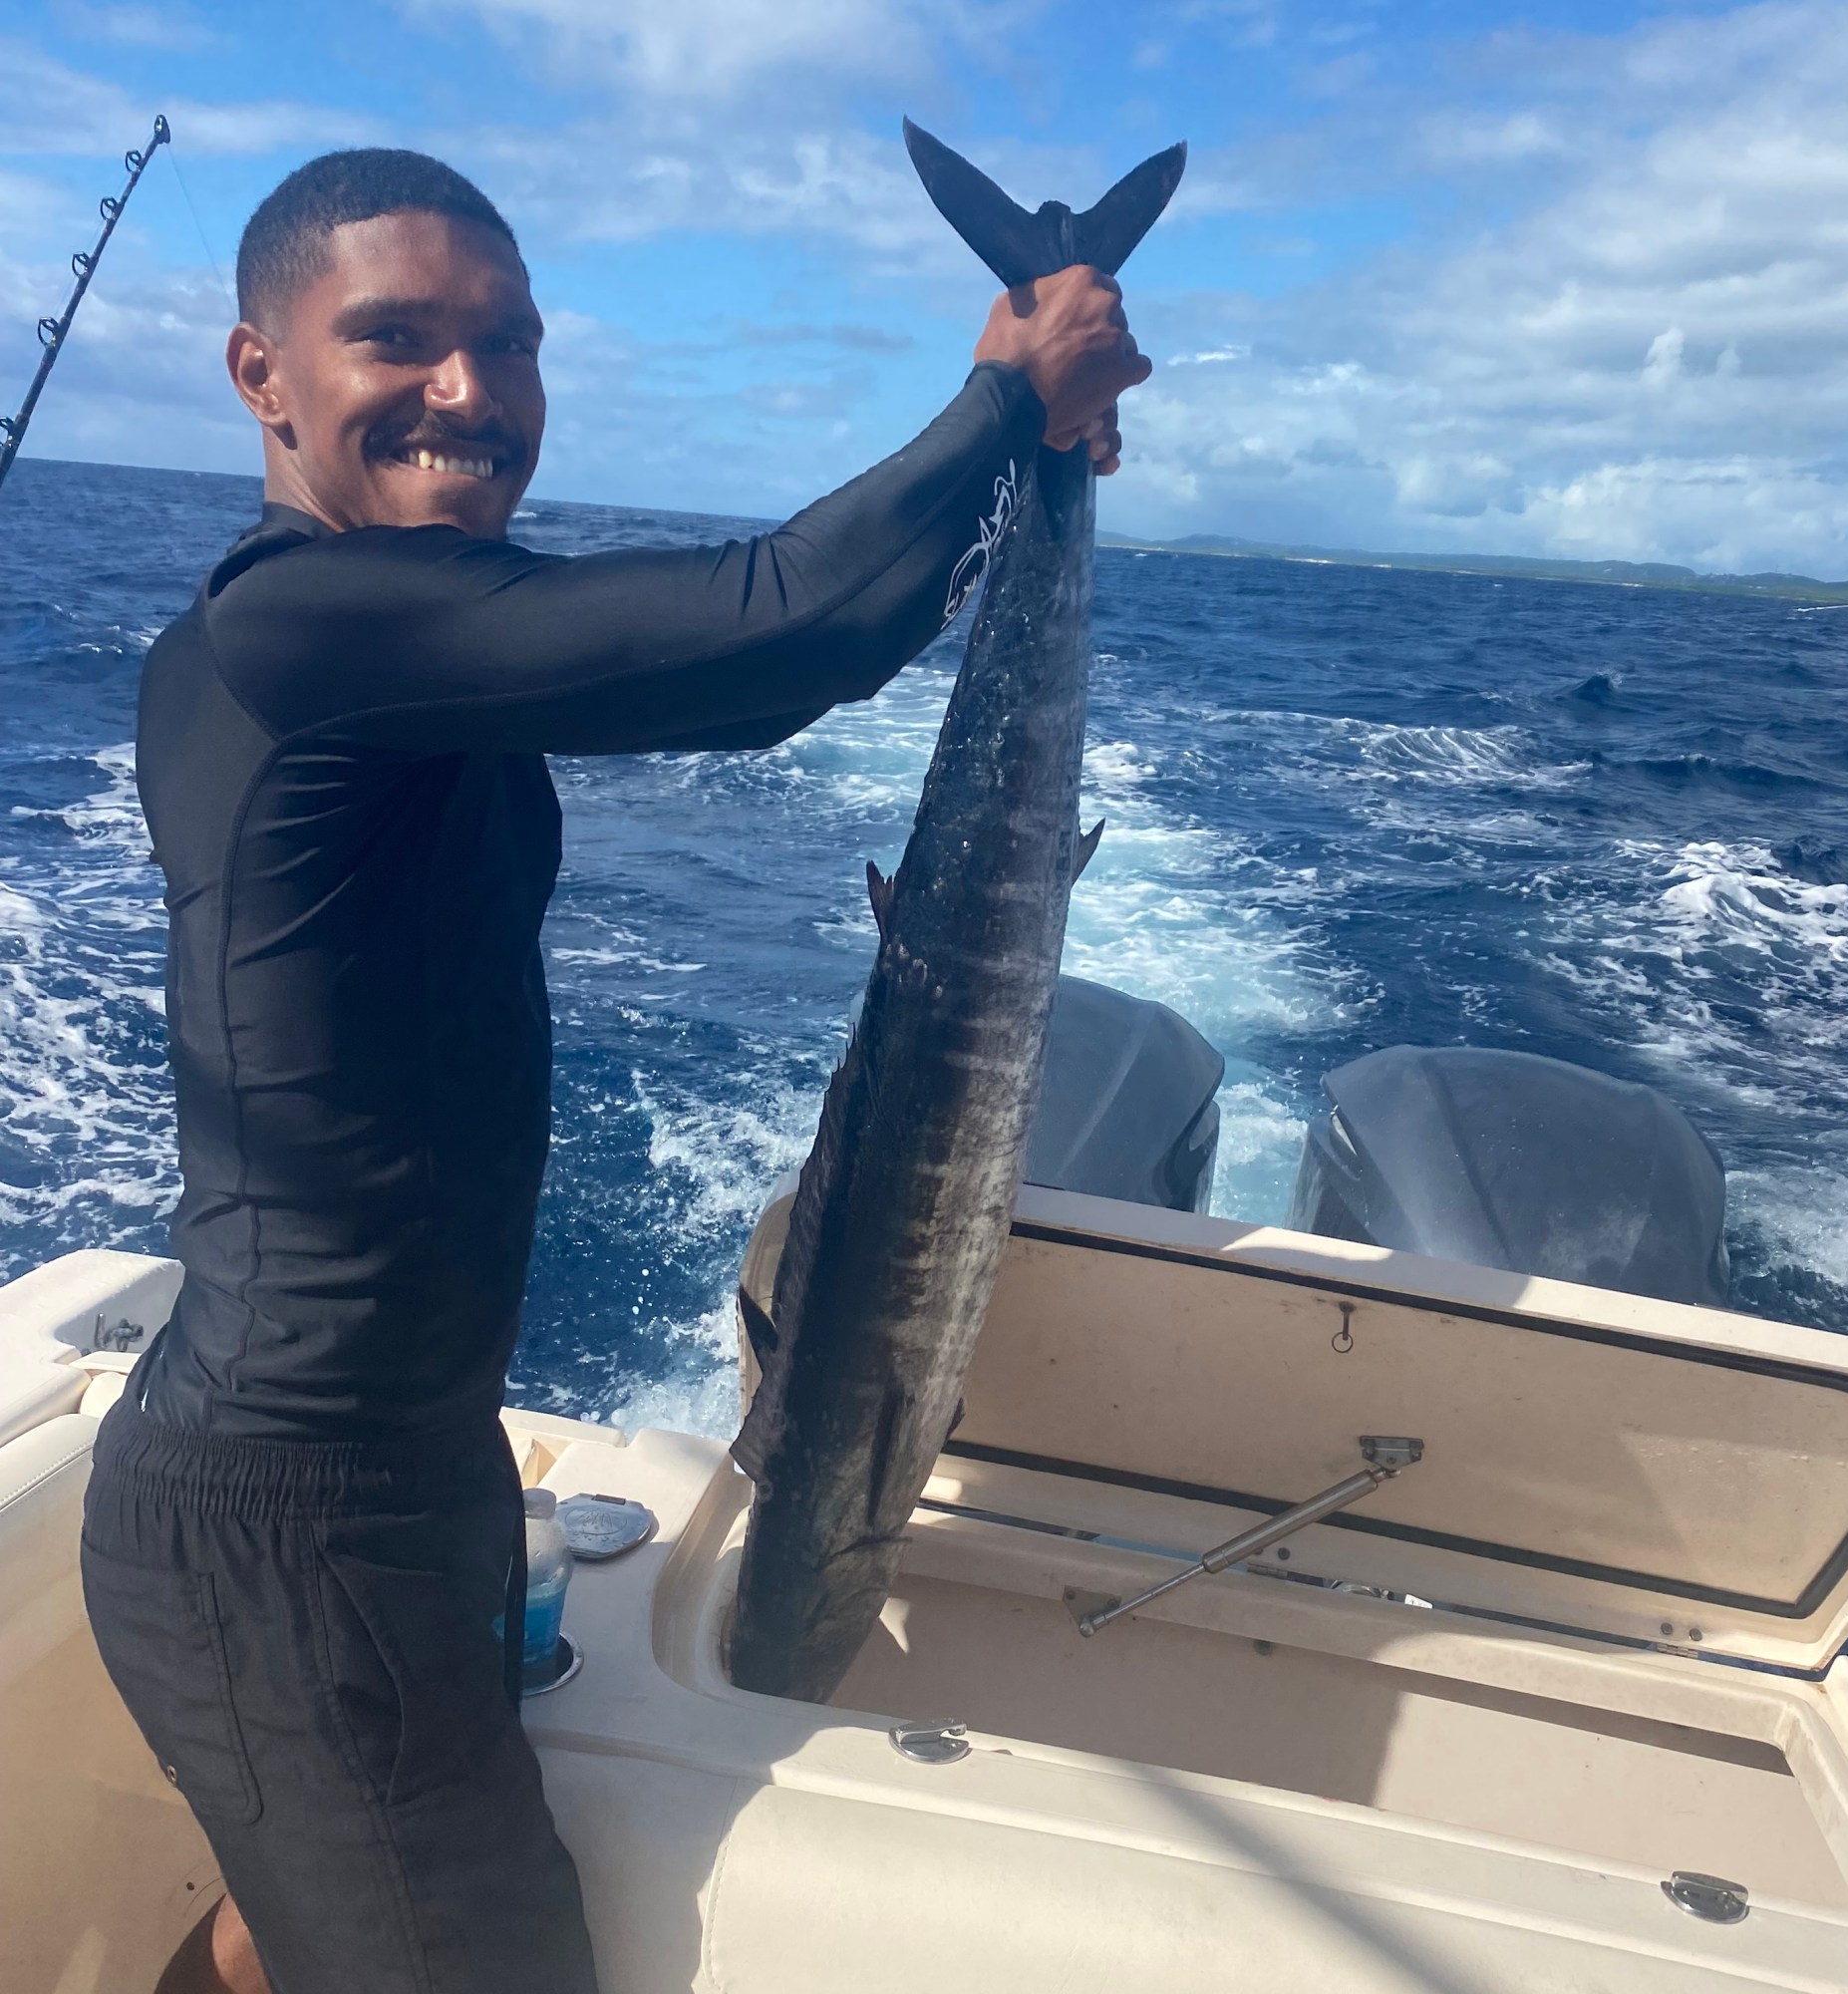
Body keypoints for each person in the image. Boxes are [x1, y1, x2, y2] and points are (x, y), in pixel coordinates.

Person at [78, 148, 1150, 1994]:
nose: (470, 392)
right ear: (261, 374)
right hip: (283, 1512)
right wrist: (1002, 399)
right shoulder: (294, 631)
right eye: (395, 339)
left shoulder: (418, 646)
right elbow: (781, 615)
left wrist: (1020, 475)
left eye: (509, 344)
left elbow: (753, 681)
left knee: (289, 1919)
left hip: (400, 1477)